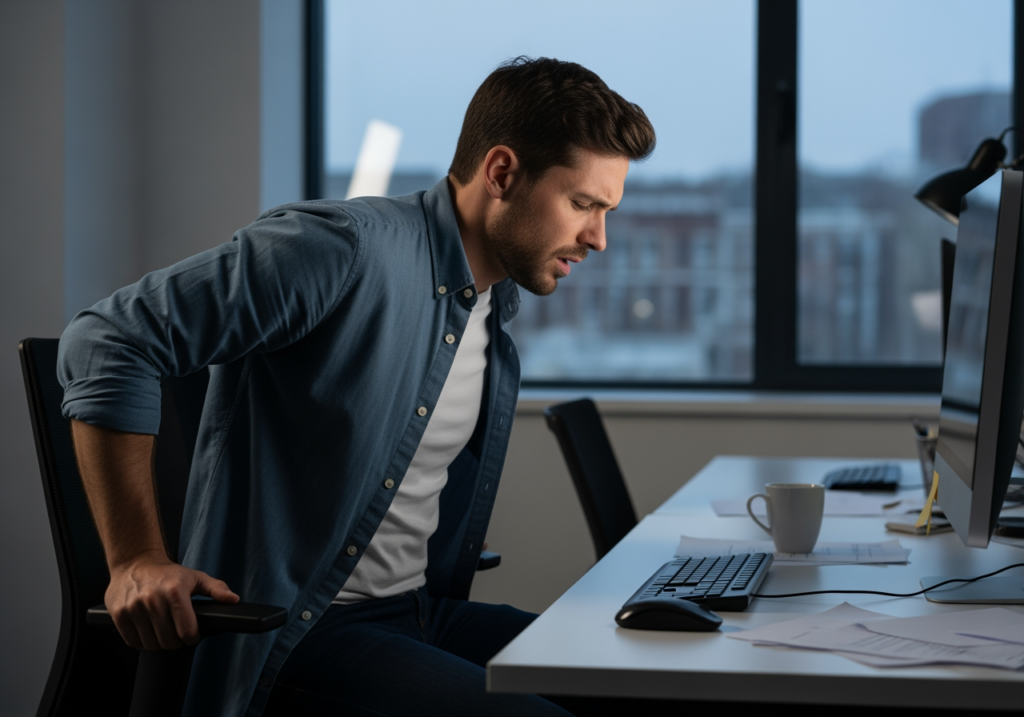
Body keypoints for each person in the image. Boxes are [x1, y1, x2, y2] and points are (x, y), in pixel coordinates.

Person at [58, 56, 655, 716]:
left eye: (607, 210)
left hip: (421, 613)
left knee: (648, 679)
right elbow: (108, 338)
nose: (598, 238)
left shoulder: (493, 306)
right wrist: (137, 558)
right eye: (583, 204)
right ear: (503, 172)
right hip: (304, 632)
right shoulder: (343, 249)